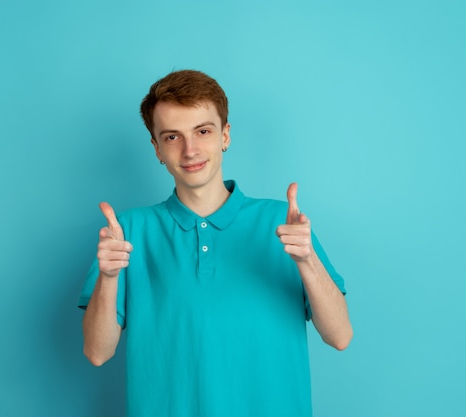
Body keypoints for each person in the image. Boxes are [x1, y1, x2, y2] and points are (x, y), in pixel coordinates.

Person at [79, 69, 352, 417]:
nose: (190, 150)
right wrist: (110, 277)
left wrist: (306, 261)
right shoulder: (127, 232)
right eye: (173, 137)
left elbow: (340, 336)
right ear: (156, 148)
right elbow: (97, 352)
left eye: (203, 131)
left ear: (225, 135)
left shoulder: (284, 223)